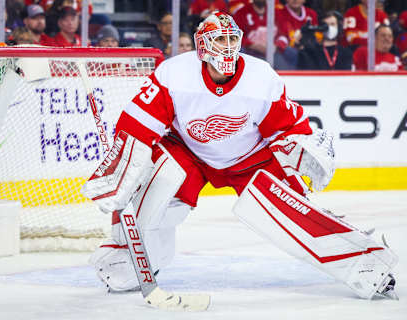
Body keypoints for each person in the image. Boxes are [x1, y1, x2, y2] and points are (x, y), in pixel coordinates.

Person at [82, 12, 398, 301]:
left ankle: (365, 263)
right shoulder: (175, 75)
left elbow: (289, 128)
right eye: (220, 40)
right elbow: (136, 128)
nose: (228, 47)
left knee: (285, 212)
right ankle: (129, 257)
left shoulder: (260, 79)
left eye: (233, 39)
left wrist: (300, 152)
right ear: (202, 47)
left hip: (251, 157)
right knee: (158, 177)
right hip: (188, 151)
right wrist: (118, 171)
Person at [274, 0, 318, 70]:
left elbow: (317, 38)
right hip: (286, 56)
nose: (295, 0)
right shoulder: (277, 13)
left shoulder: (312, 14)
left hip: (307, 53)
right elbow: (278, 39)